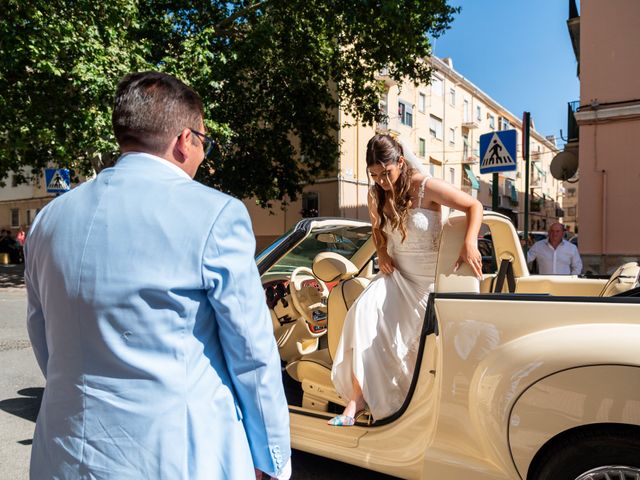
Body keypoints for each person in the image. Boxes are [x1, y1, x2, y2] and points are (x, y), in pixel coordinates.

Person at [25, 72, 291, 480]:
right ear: (185, 140)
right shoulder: (215, 214)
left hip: (64, 453)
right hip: (175, 455)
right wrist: (271, 457)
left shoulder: (49, 219)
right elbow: (252, 355)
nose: (204, 155)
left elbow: (43, 335)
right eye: (206, 142)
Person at [328, 133, 483, 426]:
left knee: (412, 350)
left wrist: (470, 241)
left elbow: (474, 206)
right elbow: (377, 231)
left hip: (427, 284)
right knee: (362, 313)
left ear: (400, 162)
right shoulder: (376, 193)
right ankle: (356, 401)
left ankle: (415, 410)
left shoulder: (426, 187)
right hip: (396, 276)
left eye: (386, 173)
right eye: (374, 175)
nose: (382, 181)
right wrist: (383, 253)